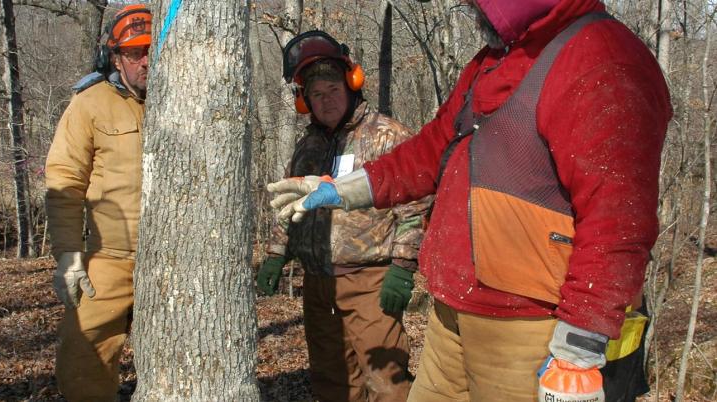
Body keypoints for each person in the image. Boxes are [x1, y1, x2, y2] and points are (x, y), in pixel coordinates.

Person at [267, 1, 672, 401]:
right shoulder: (493, 60)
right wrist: (345, 189)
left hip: (529, 324)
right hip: (452, 310)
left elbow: (618, 220)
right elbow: (427, 152)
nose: (467, 7)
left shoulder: (602, 56)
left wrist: (579, 348)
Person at [257, 30, 431, 402]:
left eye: (333, 90)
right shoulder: (309, 145)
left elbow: (415, 205)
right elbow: (289, 203)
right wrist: (275, 253)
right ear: (305, 102)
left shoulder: (387, 136)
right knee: (333, 382)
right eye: (316, 95)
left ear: (351, 86)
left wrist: (402, 267)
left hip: (370, 280)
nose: (326, 101)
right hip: (318, 283)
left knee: (387, 383)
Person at [45, 4, 150, 401]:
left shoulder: (182, 99)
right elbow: (64, 181)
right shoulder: (89, 104)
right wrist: (69, 254)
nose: (144, 61)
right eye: (134, 53)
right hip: (110, 257)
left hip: (176, 257)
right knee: (82, 359)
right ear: (115, 56)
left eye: (150, 50)